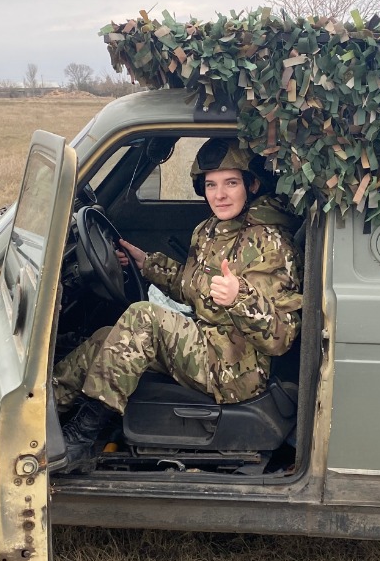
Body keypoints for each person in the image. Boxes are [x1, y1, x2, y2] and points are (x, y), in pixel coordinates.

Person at [52, 138, 303, 473]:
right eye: (211, 185)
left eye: (231, 183)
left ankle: (83, 437)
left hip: (235, 371)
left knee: (144, 319)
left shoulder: (270, 243)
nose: (220, 195)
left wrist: (240, 297)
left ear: (251, 184)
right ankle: (43, 411)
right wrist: (147, 264)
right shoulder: (210, 231)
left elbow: (282, 338)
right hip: (204, 343)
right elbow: (194, 287)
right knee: (105, 338)